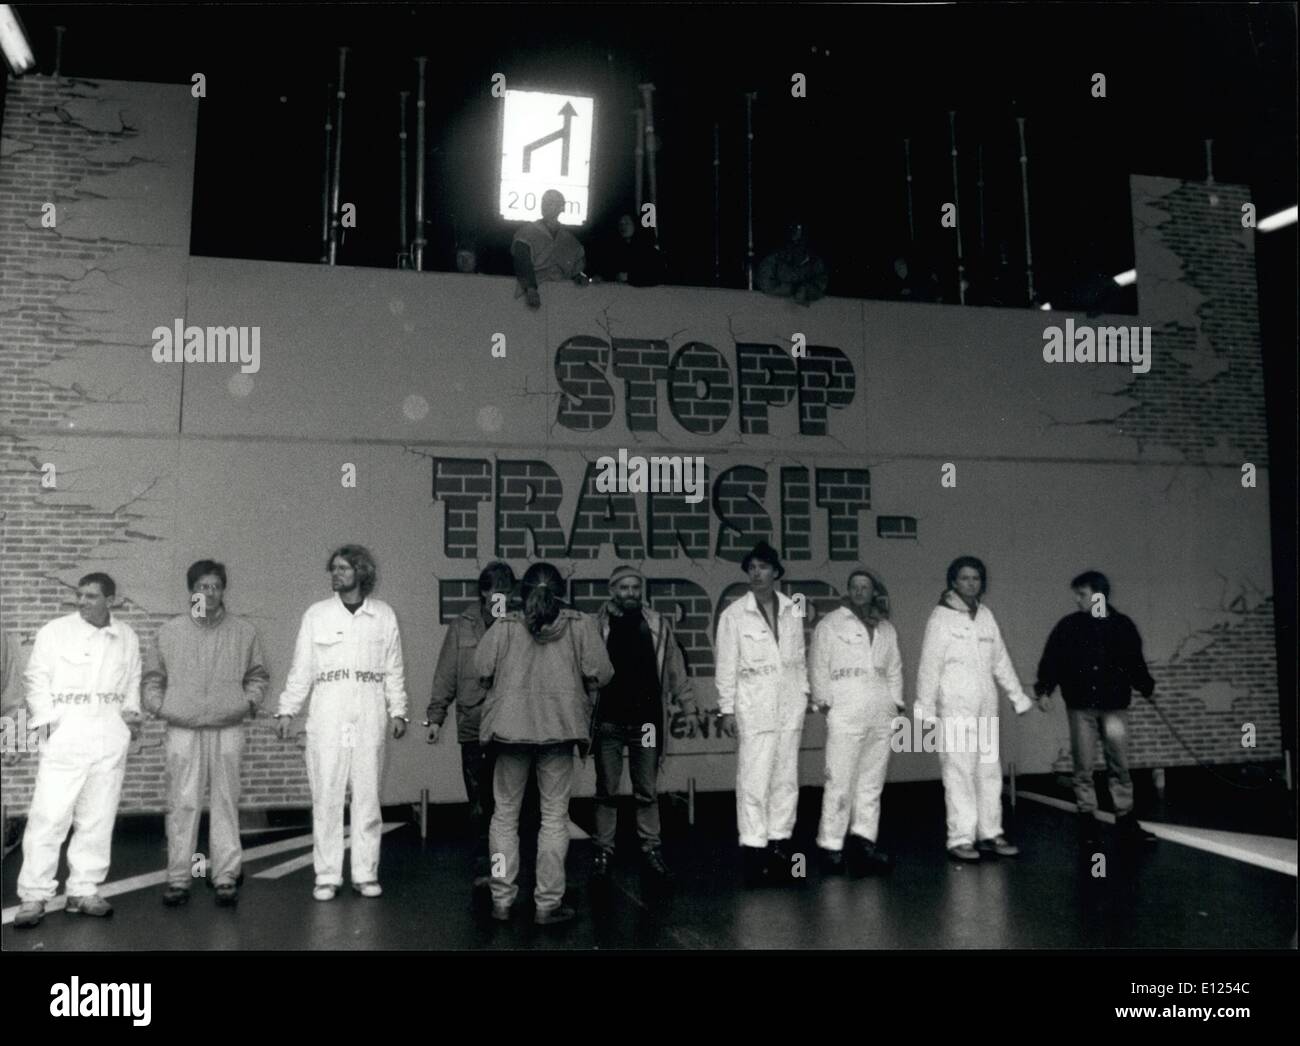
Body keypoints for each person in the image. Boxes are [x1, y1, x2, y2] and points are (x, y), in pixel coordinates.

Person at [474, 562, 613, 926]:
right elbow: (603, 672)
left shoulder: (504, 626)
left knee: (504, 817)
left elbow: (481, 668)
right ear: (562, 590)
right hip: (559, 730)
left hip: (509, 731)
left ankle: (501, 899)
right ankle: (547, 904)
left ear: (521, 592)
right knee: (554, 818)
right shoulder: (581, 625)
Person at [274, 545, 409, 901]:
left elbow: (393, 669)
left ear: (362, 573)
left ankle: (365, 874)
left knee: (367, 799)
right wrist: (287, 710)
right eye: (333, 568)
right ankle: (327, 875)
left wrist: (399, 710)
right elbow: (301, 668)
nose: (336, 574)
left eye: (344, 568)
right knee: (327, 797)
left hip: (369, 716)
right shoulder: (317, 615)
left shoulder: (383, 616)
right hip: (328, 717)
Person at [13, 573, 142, 928]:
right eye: (79, 596)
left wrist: (129, 719)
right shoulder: (55, 632)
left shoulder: (126, 637)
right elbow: (35, 678)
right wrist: (49, 725)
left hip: (108, 735)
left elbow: (132, 680)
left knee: (98, 818)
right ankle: (33, 895)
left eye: (91, 596)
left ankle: (84, 889)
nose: (82, 601)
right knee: (49, 817)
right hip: (66, 735)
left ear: (110, 601)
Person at [142, 560, 270, 908]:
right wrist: (161, 706)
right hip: (183, 727)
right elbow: (153, 677)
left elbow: (258, 675)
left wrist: (246, 702)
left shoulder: (243, 631)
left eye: (215, 586)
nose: (209, 593)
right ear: (192, 590)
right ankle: (181, 876)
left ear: (223, 590)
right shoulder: (170, 632)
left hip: (228, 725)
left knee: (226, 801)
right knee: (183, 802)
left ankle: (225, 874)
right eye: (203, 586)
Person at [916, 556, 1035, 862]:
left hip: (986, 708)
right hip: (955, 709)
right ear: (953, 582)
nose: (971, 583)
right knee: (959, 773)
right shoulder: (940, 619)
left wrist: (1017, 696)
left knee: (989, 771)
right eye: (964, 578)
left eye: (976, 578)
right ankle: (961, 838)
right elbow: (929, 667)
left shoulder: (985, 616)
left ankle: (991, 832)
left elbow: (1000, 660)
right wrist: (925, 710)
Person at [1033, 570, 1158, 848]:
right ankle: (1087, 816)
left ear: (1098, 594)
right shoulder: (1068, 626)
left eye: (1082, 594)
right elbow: (1052, 659)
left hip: (1114, 708)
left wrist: (1146, 686)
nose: (1077, 600)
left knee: (1119, 762)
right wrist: (1044, 689)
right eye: (1076, 595)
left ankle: (1125, 817)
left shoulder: (1122, 625)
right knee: (1083, 765)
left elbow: (1135, 662)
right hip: (1081, 707)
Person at [714, 541, 810, 887]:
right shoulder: (734, 615)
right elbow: (726, 666)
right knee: (754, 778)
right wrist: (726, 708)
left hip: (789, 706)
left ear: (776, 572)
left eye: (763, 567)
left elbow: (798, 659)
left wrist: (804, 693)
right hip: (754, 705)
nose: (756, 573)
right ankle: (754, 849)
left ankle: (781, 843)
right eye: (751, 568)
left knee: (785, 777)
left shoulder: (791, 610)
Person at [591, 565, 696, 884]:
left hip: (646, 724)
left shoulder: (656, 624)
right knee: (607, 790)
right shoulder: (595, 625)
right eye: (623, 588)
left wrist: (688, 707)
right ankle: (603, 852)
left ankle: (651, 849)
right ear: (613, 591)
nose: (630, 593)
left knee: (647, 790)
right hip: (608, 722)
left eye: (635, 587)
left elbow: (675, 668)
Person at [426, 561, 517, 888]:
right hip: (473, 726)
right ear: (483, 591)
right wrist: (436, 717)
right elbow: (446, 673)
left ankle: (509, 867)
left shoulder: (518, 624)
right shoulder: (462, 625)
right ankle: (486, 866)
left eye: (507, 591)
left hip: (512, 725)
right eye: (495, 590)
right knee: (480, 804)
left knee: (510, 803)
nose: (500, 597)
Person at [810, 566, 903, 876]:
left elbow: (894, 669)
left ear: (874, 590)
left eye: (866, 586)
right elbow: (819, 663)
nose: (860, 591)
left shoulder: (886, 628)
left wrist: (896, 702)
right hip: (846, 708)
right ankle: (831, 845)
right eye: (855, 586)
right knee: (840, 779)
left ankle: (863, 841)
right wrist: (824, 702)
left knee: (871, 782)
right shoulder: (832, 624)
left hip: (880, 709)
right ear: (848, 590)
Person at [512, 189, 589, 308]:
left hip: (562, 295)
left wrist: (581, 277)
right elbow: (522, 263)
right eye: (544, 201)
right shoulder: (526, 232)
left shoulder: (570, 241)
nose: (545, 205)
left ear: (561, 207)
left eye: (551, 201)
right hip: (533, 294)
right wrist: (530, 289)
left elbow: (576, 270)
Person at [756, 221, 829, 305]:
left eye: (801, 242)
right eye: (793, 243)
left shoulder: (816, 264)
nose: (797, 248)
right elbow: (765, 284)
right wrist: (793, 289)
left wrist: (806, 290)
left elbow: (821, 287)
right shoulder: (773, 261)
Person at [599, 213, 666, 286]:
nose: (623, 226)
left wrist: (630, 277)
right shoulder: (615, 251)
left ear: (635, 225)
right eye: (620, 224)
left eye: (627, 223)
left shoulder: (647, 250)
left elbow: (655, 275)